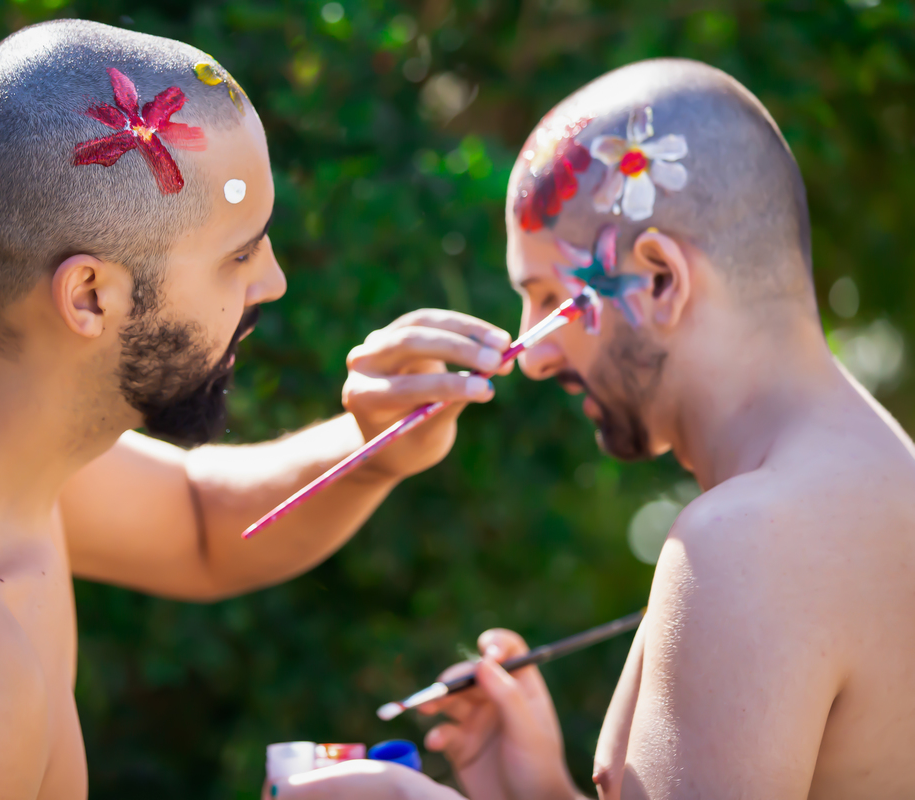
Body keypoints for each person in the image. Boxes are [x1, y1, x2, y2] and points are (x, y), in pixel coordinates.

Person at [0, 20, 517, 797]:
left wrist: (372, 450)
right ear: (90, 295)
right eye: (240, 253)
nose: (272, 282)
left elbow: (200, 525)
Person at [273, 58, 915, 799]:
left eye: (550, 299)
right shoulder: (878, 483)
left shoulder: (750, 542)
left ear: (660, 279)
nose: (533, 357)